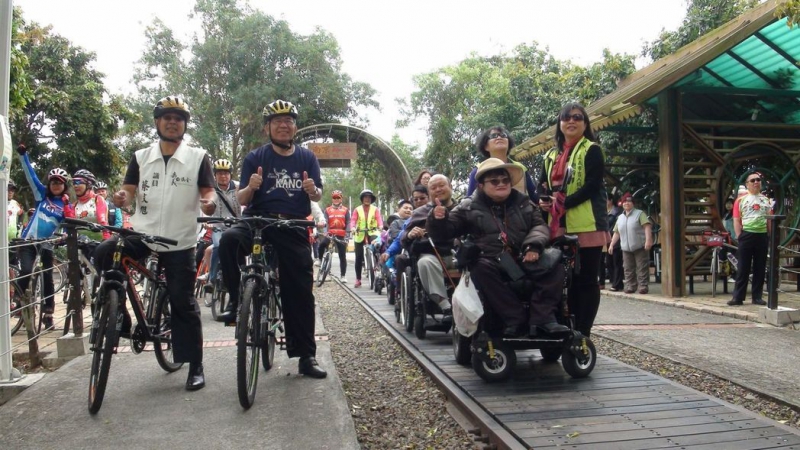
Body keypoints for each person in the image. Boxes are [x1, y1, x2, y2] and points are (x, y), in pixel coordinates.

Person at [100, 96, 215, 391]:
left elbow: (208, 192)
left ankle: (195, 365)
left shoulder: (198, 157)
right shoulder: (140, 157)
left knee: (183, 302)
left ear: (185, 124)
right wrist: (122, 198)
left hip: (179, 240)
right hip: (143, 233)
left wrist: (209, 204)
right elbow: (127, 191)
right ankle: (120, 316)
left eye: (178, 118)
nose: (173, 122)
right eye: (167, 117)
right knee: (105, 253)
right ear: (157, 122)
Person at [217, 99, 327, 379]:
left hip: (292, 225)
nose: (283, 125)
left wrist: (312, 190)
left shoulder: (307, 158)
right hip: (258, 220)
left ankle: (306, 356)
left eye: (288, 120)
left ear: (295, 126)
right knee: (229, 241)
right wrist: (250, 188)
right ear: (268, 127)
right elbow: (240, 199)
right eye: (277, 121)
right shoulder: (256, 157)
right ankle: (236, 301)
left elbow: (316, 195)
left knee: (300, 289)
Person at [428, 159, 570, 337]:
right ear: (481, 185)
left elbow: (540, 227)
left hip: (525, 256)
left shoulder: (524, 202)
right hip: (491, 260)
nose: (501, 184)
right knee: (479, 267)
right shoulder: (468, 206)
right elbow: (445, 232)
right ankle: (515, 319)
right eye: (495, 181)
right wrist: (437, 219)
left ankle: (543, 320)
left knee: (556, 267)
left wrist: (533, 246)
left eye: (505, 180)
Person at [539, 102, 609, 337]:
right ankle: (563, 327)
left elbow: (592, 185)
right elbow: (542, 186)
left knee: (586, 279)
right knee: (558, 278)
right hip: (557, 225)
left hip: (587, 224)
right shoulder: (549, 155)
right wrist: (544, 201)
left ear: (585, 123)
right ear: (559, 124)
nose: (572, 121)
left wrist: (563, 203)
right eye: (566, 117)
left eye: (577, 117)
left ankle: (583, 333)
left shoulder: (592, 149)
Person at [15, 144, 75, 330]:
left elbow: (70, 226)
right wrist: (23, 155)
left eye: (59, 182)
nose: (56, 185)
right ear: (49, 184)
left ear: (64, 185)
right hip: (28, 242)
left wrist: (63, 237)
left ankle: (48, 314)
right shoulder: (41, 196)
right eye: (53, 182)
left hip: (47, 245)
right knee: (26, 271)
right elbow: (30, 175)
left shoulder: (66, 204)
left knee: (47, 277)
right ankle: (17, 300)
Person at [399, 174, 457, 314]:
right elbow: (403, 238)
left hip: (459, 255)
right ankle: (444, 305)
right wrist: (410, 234)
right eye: (433, 187)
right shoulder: (420, 212)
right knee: (425, 262)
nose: (438, 189)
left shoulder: (462, 209)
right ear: (429, 192)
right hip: (433, 255)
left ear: (450, 186)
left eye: (441, 185)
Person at [728, 171, 772, 306]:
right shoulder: (740, 200)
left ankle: (757, 297)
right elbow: (736, 219)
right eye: (752, 180)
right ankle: (738, 297)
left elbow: (770, 219)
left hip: (762, 235)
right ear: (747, 184)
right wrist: (739, 235)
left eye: (758, 180)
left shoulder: (766, 200)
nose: (756, 182)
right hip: (747, 234)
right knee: (743, 267)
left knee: (760, 266)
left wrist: (770, 235)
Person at [200, 158, 241, 289]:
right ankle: (211, 280)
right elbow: (203, 205)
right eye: (219, 173)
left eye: (226, 173)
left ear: (230, 175)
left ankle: (242, 276)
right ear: (215, 175)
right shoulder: (210, 190)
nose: (223, 176)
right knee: (217, 246)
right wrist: (206, 221)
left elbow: (247, 203)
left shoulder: (239, 187)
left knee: (241, 248)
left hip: (237, 227)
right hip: (218, 227)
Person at [467, 126, 538, 202]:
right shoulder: (478, 171)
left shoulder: (520, 168)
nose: (499, 137)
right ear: (486, 146)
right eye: (494, 136)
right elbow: (469, 202)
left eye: (503, 135)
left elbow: (534, 197)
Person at [609, 194, 653, 294]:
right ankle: (630, 286)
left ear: (633, 203)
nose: (626, 203)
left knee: (642, 267)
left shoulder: (640, 214)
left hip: (640, 245)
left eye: (629, 201)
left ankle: (643, 286)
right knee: (628, 268)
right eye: (624, 202)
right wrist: (611, 244)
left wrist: (648, 240)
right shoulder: (620, 217)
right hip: (625, 247)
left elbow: (647, 227)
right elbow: (616, 232)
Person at [350, 188, 384, 288]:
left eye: (369, 197)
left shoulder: (375, 209)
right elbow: (353, 220)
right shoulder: (357, 209)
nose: (367, 199)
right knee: (358, 257)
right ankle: (358, 279)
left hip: (372, 232)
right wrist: (352, 228)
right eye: (365, 197)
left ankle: (377, 266)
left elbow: (379, 220)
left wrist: (381, 226)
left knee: (377, 247)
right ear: (362, 199)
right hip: (360, 233)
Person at [319, 190, 350, 282]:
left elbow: (348, 222)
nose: (336, 199)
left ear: (341, 199)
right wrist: (325, 231)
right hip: (330, 233)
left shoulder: (345, 210)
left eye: (338, 198)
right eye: (334, 198)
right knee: (322, 245)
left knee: (342, 255)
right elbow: (325, 222)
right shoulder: (327, 210)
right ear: (332, 199)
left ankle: (343, 275)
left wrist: (347, 234)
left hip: (341, 234)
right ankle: (320, 261)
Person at [72, 169, 110, 242]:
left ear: (89, 184)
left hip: (98, 243)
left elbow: (103, 223)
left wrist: (106, 241)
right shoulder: (74, 205)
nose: (75, 185)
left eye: (78, 182)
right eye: (74, 182)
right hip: (79, 244)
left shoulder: (98, 199)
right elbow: (71, 226)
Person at [604, 194, 624, 291]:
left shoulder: (618, 212)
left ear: (611, 200)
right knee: (609, 262)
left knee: (617, 262)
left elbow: (616, 227)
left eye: (606, 199)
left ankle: (616, 284)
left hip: (616, 238)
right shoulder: (603, 211)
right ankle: (616, 282)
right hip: (606, 239)